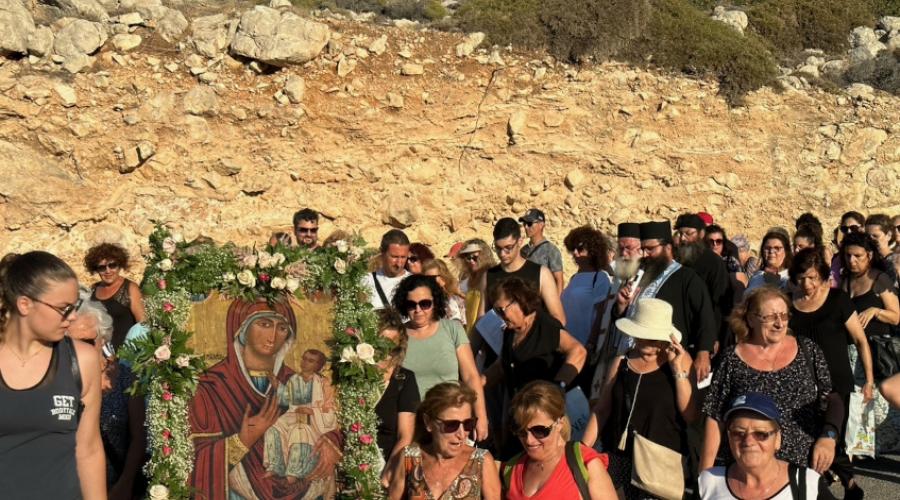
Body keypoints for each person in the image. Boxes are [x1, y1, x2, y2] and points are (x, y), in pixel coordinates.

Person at [189, 298, 342, 499]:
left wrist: (332, 442)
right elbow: (192, 460)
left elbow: (330, 418)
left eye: (282, 328)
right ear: (241, 329)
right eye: (264, 324)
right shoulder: (210, 386)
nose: (273, 336)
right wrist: (242, 441)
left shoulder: (298, 381)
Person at [701, 288, 846, 480]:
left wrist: (829, 436)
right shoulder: (731, 359)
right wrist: (705, 475)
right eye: (770, 317)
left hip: (800, 469)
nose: (779, 323)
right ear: (750, 319)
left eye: (784, 316)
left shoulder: (808, 350)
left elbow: (832, 399)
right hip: (745, 471)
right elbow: (715, 417)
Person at [0, 251, 105, 499]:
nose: (73, 317)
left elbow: (89, 450)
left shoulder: (81, 360)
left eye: (74, 307)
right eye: (63, 308)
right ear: (25, 304)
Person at [582, 298, 696, 498]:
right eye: (645, 335)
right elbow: (602, 410)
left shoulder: (681, 361)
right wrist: (581, 452)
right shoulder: (621, 362)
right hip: (619, 459)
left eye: (654, 337)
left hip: (659, 464)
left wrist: (677, 369)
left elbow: (690, 414)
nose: (649, 341)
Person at [788, 248, 874, 498]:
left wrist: (868, 380)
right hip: (804, 385)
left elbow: (860, 340)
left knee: (832, 437)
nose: (807, 284)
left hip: (838, 384)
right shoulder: (788, 303)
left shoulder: (838, 300)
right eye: (801, 278)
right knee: (809, 438)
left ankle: (847, 485)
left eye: (812, 277)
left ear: (823, 275)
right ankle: (843, 485)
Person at [484, 277, 586, 458]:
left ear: (518, 302)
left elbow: (578, 351)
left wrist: (558, 386)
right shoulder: (510, 332)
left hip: (542, 422)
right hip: (519, 418)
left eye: (501, 310)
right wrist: (476, 384)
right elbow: (501, 366)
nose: (500, 316)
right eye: (496, 311)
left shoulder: (544, 326)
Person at [615, 220, 717, 383]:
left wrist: (703, 352)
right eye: (643, 249)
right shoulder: (640, 275)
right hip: (633, 358)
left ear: (668, 247)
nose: (645, 254)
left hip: (665, 362)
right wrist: (622, 305)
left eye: (650, 249)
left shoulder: (687, 277)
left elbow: (705, 315)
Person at [69, 295, 147, 500]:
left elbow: (140, 436)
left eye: (86, 341)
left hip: (118, 487)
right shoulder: (62, 380)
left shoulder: (125, 378)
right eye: (70, 343)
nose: (78, 349)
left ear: (102, 339)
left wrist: (125, 484)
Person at [393, 275, 489, 441]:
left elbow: (470, 376)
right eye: (411, 305)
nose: (418, 310)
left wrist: (480, 417)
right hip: (412, 426)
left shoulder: (452, 329)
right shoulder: (398, 336)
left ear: (435, 302)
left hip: (453, 421)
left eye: (425, 304)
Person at [699, 392, 836, 500]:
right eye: (738, 433)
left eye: (761, 434)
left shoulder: (807, 483)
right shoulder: (709, 482)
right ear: (729, 438)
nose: (748, 441)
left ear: (777, 439)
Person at [387, 382, 501, 500]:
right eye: (451, 425)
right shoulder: (409, 458)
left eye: (468, 424)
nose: (462, 434)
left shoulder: (481, 462)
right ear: (428, 422)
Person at [503, 381, 616, 499]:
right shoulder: (511, 468)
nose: (529, 440)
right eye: (521, 431)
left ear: (559, 423)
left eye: (539, 431)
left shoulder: (584, 463)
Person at [263, 349, 337, 485]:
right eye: (304, 358)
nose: (305, 362)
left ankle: (294, 472)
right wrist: (277, 385)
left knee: (299, 430)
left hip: (313, 420)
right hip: (292, 414)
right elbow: (286, 399)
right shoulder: (294, 379)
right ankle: (275, 466)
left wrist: (312, 411)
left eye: (311, 361)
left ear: (318, 365)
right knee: (273, 429)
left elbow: (331, 408)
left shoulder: (324, 383)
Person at [479, 217, 565, 324]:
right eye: (498, 248)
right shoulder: (488, 276)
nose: (502, 254)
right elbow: (481, 317)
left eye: (508, 247)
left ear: (520, 241)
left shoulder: (542, 274)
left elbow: (559, 318)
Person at [374, 310, 419, 486]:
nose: (385, 353)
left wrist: (387, 474)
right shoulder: (353, 376)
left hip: (386, 467)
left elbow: (405, 436)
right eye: (379, 345)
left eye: (391, 347)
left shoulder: (404, 380)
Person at [84, 242, 145, 350]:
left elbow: (143, 324)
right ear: (96, 269)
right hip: (99, 353)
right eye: (102, 267)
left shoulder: (130, 288)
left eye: (112, 265)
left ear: (120, 266)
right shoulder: (93, 289)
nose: (108, 271)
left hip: (125, 354)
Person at [560, 225, 612, 347]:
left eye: (580, 249)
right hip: (565, 343)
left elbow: (600, 314)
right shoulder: (574, 277)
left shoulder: (600, 277)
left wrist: (591, 343)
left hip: (582, 344)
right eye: (573, 249)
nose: (575, 253)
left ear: (593, 250)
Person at [362, 229, 411, 311]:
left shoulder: (414, 283)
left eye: (403, 257)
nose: (399, 264)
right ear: (382, 253)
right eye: (394, 257)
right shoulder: (366, 281)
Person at [519, 208, 565, 295]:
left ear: (541, 225)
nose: (526, 227)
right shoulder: (523, 250)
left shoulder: (551, 250)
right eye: (524, 223)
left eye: (529, 223)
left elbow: (559, 280)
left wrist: (557, 301)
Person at [457, 239, 495, 334]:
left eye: (475, 257)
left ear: (484, 256)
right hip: (472, 332)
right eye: (467, 257)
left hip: (487, 331)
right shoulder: (468, 281)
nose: (471, 261)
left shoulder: (492, 277)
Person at [422, 259, 467, 327]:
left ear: (443, 278)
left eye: (432, 278)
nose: (428, 282)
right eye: (425, 279)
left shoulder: (452, 300)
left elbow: (457, 328)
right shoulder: (425, 302)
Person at [865, 213, 899, 284]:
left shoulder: (897, 261)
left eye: (875, 236)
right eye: (868, 236)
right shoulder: (866, 261)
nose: (871, 239)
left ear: (888, 235)